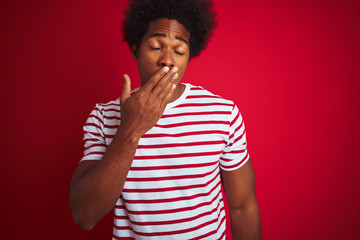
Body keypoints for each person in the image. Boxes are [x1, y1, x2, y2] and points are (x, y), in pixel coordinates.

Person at [69, 0, 262, 239]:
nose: (168, 60)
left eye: (179, 51)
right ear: (136, 50)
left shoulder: (223, 113)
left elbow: (243, 206)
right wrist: (131, 129)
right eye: (156, 46)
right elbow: (85, 215)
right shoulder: (103, 117)